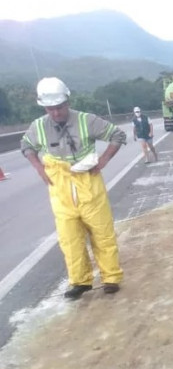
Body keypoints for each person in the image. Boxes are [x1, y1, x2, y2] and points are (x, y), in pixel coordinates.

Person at [20, 77, 126, 300]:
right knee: (69, 239)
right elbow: (26, 146)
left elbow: (117, 135)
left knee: (102, 234)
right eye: (50, 109)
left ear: (67, 101)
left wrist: (104, 159)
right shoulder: (39, 126)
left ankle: (111, 278)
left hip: (88, 183)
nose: (56, 113)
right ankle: (80, 281)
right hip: (60, 189)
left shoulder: (87, 120)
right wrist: (39, 167)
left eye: (59, 107)